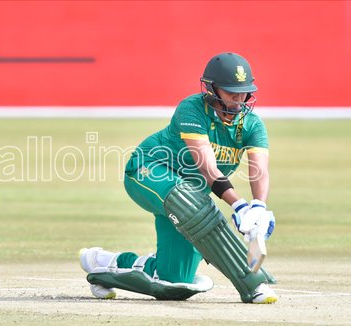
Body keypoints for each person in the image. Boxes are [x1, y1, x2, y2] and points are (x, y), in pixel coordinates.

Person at [79, 52, 278, 303]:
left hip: (189, 200)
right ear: (212, 89)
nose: (239, 101)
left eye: (244, 93)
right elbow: (207, 168)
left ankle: (104, 266)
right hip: (148, 171)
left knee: (174, 281)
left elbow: (259, 170)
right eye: (231, 92)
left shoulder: (252, 125)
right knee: (190, 201)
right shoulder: (193, 108)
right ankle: (252, 283)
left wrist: (259, 206)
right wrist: (239, 205)